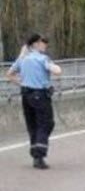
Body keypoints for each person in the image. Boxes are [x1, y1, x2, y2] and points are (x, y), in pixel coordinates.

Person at [5, 33, 62, 169]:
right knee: (46, 123)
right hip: (40, 95)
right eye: (43, 43)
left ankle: (36, 153)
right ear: (35, 44)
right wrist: (53, 67)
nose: (45, 45)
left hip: (26, 95)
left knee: (33, 126)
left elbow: (9, 74)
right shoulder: (42, 59)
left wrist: (22, 82)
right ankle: (39, 155)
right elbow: (58, 71)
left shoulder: (22, 59)